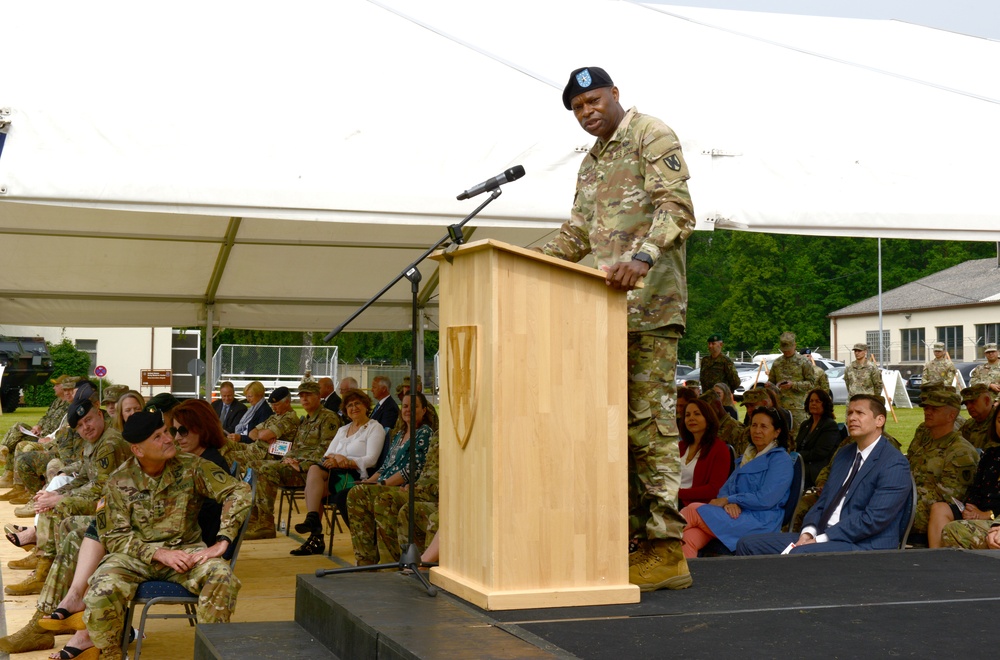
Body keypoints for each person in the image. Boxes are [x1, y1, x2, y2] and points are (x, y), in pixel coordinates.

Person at [536, 66, 697, 591]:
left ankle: (666, 549)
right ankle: (627, 540)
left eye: (593, 99)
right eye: (578, 107)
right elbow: (577, 232)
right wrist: (518, 260)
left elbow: (677, 209)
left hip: (650, 307)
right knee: (614, 431)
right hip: (602, 316)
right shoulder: (591, 163)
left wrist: (643, 258)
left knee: (649, 426)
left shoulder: (651, 134)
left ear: (615, 95)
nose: (587, 111)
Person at [81, 410, 251, 660]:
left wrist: (223, 539)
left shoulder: (192, 466)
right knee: (99, 591)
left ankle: (209, 653)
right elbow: (114, 536)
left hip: (187, 553)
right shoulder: (118, 481)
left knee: (222, 576)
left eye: (166, 432)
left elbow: (238, 491)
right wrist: (158, 553)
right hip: (136, 558)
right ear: (138, 450)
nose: (169, 439)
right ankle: (111, 653)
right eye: (158, 437)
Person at [737, 394, 911, 555]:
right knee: (747, 544)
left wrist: (820, 539)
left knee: (798, 555)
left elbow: (873, 519)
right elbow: (823, 501)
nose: (851, 418)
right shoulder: (844, 454)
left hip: (863, 544)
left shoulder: (893, 463)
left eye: (859, 413)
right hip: (822, 535)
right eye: (849, 412)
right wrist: (808, 532)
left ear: (879, 420)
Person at [678, 406, 794, 557]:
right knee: (689, 537)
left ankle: (653, 542)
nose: (757, 430)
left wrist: (731, 499)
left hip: (760, 521)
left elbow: (766, 499)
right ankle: (686, 577)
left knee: (693, 510)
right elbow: (726, 488)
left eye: (764, 426)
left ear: (777, 432)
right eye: (754, 425)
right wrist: (729, 502)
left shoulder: (780, 460)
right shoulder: (749, 455)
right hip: (736, 515)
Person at [290, 388, 385, 556]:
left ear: (365, 406)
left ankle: (315, 532)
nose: (354, 408)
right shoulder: (343, 429)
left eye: (357, 404)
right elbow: (328, 454)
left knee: (313, 483)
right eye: (349, 405)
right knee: (314, 473)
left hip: (355, 474)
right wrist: (336, 458)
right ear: (345, 410)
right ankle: (314, 524)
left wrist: (346, 461)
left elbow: (372, 459)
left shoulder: (373, 427)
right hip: (334, 471)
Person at [348, 393, 438, 565]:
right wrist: (369, 482)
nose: (408, 410)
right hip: (386, 482)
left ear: (424, 410)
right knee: (356, 493)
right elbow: (385, 467)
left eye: (413, 406)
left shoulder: (424, 433)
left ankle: (389, 562)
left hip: (401, 486)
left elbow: (413, 469)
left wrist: (381, 484)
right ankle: (365, 559)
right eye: (405, 406)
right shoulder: (399, 434)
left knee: (379, 498)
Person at [246, 380, 341, 540]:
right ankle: (254, 519)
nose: (304, 399)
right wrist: (288, 459)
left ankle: (266, 524)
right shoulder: (305, 421)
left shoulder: (328, 418)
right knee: (253, 465)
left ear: (318, 397)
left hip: (311, 472)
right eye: (302, 396)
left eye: (308, 395)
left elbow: (326, 449)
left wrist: (301, 465)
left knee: (265, 469)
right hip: (294, 466)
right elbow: (295, 447)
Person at [907, 387, 979, 537]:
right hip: (909, 504)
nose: (927, 412)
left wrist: (899, 501)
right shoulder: (925, 442)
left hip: (928, 514)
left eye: (935, 409)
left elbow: (949, 497)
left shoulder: (960, 452)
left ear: (951, 415)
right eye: (926, 408)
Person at [930, 404, 1000, 548]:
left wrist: (987, 515)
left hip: (994, 517)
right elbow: (977, 488)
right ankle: (935, 562)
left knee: (954, 530)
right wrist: (971, 509)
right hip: (979, 511)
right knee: (939, 508)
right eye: (999, 420)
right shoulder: (991, 455)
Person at [677, 398, 731, 508]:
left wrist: (677, 493)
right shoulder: (680, 447)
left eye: (697, 414)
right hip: (672, 501)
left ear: (708, 419)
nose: (691, 418)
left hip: (697, 507)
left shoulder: (719, 449)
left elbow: (714, 489)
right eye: (687, 415)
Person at [769, 332, 816, 436]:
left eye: (788, 349)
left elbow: (811, 383)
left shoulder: (803, 362)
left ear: (795, 345)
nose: (786, 352)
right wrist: (771, 386)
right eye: (783, 350)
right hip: (779, 408)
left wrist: (793, 385)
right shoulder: (777, 363)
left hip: (798, 409)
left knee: (798, 438)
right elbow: (771, 381)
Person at [795, 389, 842, 489]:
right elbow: (797, 445)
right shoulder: (805, 424)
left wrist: (797, 456)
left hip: (817, 468)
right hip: (802, 463)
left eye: (817, 401)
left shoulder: (829, 425)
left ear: (824, 404)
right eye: (811, 401)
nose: (813, 404)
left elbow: (820, 453)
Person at [959, 383, 998, 450]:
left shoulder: (997, 423)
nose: (968, 407)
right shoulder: (969, 425)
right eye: (966, 404)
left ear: (986, 401)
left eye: (972, 402)